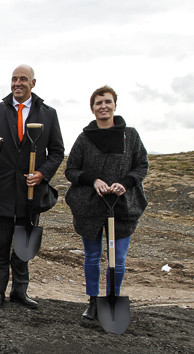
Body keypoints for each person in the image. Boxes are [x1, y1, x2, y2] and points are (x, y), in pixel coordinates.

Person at [0, 64, 64, 309]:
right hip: (1, 191)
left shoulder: (48, 114)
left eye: (23, 79)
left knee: (24, 246)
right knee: (2, 244)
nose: (17, 83)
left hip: (30, 193)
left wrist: (42, 173)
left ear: (33, 83)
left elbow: (57, 151)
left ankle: (20, 292)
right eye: (14, 79)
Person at [65, 85, 148, 320]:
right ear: (92, 109)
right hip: (90, 206)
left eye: (108, 102)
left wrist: (126, 182)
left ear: (115, 106)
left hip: (123, 207)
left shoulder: (130, 135)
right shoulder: (84, 138)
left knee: (117, 258)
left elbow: (141, 165)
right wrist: (94, 181)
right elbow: (71, 170)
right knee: (92, 256)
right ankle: (93, 301)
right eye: (99, 102)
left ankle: (113, 299)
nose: (103, 106)